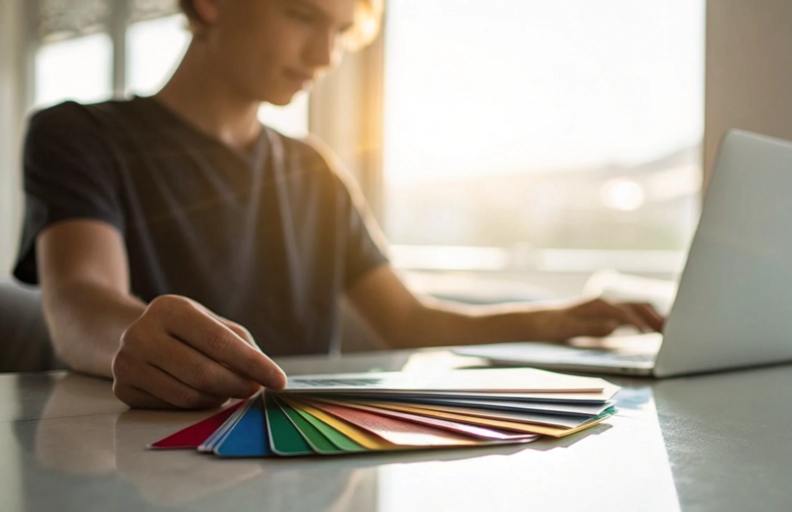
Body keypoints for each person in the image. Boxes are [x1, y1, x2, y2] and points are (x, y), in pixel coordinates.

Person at [14, 0, 664, 409]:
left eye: (341, 30)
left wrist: (559, 319)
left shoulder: (314, 170)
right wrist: (134, 337)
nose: (324, 56)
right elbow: (79, 299)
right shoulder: (77, 134)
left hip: (305, 462)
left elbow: (411, 320)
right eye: (301, 16)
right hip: (144, 457)